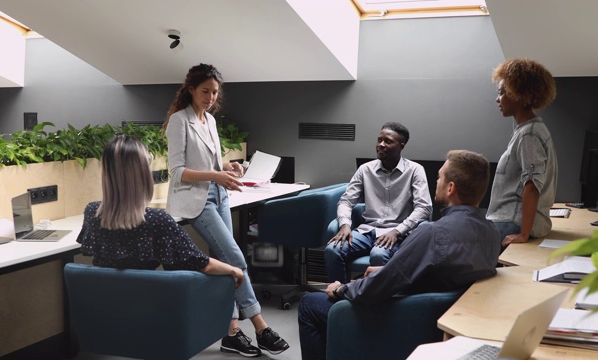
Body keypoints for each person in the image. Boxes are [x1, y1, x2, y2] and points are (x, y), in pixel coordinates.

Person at [299, 150, 501, 360]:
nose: (437, 180)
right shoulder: (492, 233)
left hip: (403, 318)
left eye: (440, 176)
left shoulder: (431, 233)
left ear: (451, 188)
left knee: (309, 305)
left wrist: (341, 288)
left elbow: (377, 288)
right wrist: (388, 270)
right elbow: (443, 274)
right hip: (444, 319)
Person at [162, 63, 289, 357]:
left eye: (215, 92)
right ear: (191, 89)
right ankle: (261, 326)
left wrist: (226, 167)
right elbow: (177, 172)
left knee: (225, 261)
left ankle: (232, 332)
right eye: (205, 91)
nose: (210, 97)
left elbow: (208, 166)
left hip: (219, 195)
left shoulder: (210, 121)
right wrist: (215, 175)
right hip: (196, 201)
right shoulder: (179, 122)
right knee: (234, 257)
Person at [76, 136, 244, 288]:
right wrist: (234, 270)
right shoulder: (157, 220)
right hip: (150, 308)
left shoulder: (92, 213)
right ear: (142, 174)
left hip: (104, 308)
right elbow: (201, 263)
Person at [324, 122, 432, 283]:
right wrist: (345, 225)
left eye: (388, 141)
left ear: (401, 146)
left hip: (397, 233)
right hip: (367, 231)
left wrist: (397, 231)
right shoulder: (365, 169)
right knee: (333, 250)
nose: (381, 145)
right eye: (379, 140)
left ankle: (377, 303)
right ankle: (340, 299)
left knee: (378, 254)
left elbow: (424, 208)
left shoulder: (415, 170)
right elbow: (346, 201)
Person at [486, 58, 558, 250]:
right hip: (510, 221)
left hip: (512, 222)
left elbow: (532, 185)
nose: (497, 99)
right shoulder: (528, 130)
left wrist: (523, 234)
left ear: (518, 94)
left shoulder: (529, 134)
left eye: (501, 93)